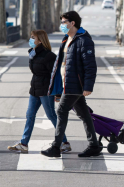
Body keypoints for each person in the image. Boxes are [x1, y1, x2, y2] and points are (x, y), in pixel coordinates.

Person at [41, 11, 100, 158]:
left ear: (72, 23)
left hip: (76, 84)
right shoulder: (66, 39)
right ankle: (94, 145)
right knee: (84, 114)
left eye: (64, 22)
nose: (62, 25)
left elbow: (90, 65)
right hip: (68, 83)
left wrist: (88, 86)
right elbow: (61, 64)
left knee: (61, 111)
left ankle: (56, 147)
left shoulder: (84, 40)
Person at [7, 30, 71, 154]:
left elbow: (56, 75)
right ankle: (24, 144)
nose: (31, 39)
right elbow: (35, 72)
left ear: (40, 40)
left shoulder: (49, 56)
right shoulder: (33, 53)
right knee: (30, 115)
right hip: (35, 89)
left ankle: (64, 142)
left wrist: (57, 93)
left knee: (51, 115)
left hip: (46, 90)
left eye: (33, 38)